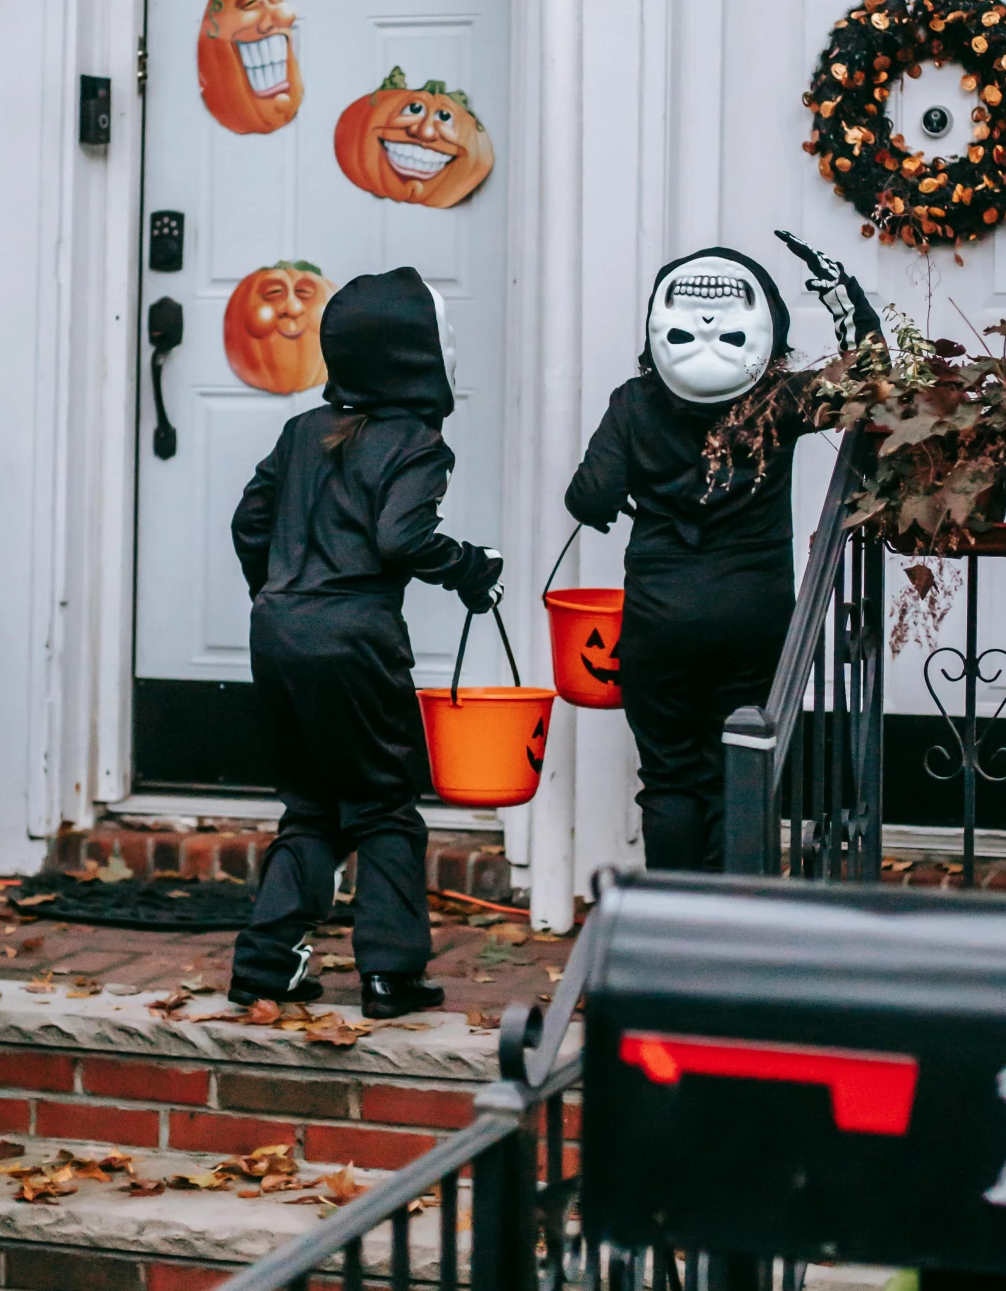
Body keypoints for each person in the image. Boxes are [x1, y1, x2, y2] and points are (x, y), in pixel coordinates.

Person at [228, 266, 502, 1018]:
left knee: (311, 804)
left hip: (278, 631)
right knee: (382, 804)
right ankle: (390, 973)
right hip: (354, 639)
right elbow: (401, 536)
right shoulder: (413, 441)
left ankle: (264, 965)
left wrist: (279, 588)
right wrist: (472, 570)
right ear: (417, 358)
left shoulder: (300, 433)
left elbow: (250, 524)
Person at [565, 241, 877, 873]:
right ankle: (732, 924)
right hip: (752, 613)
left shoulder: (634, 402)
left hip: (661, 619)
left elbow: (589, 496)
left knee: (671, 776)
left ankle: (673, 924)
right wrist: (846, 299)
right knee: (741, 768)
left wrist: (617, 501)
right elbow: (871, 380)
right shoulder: (782, 400)